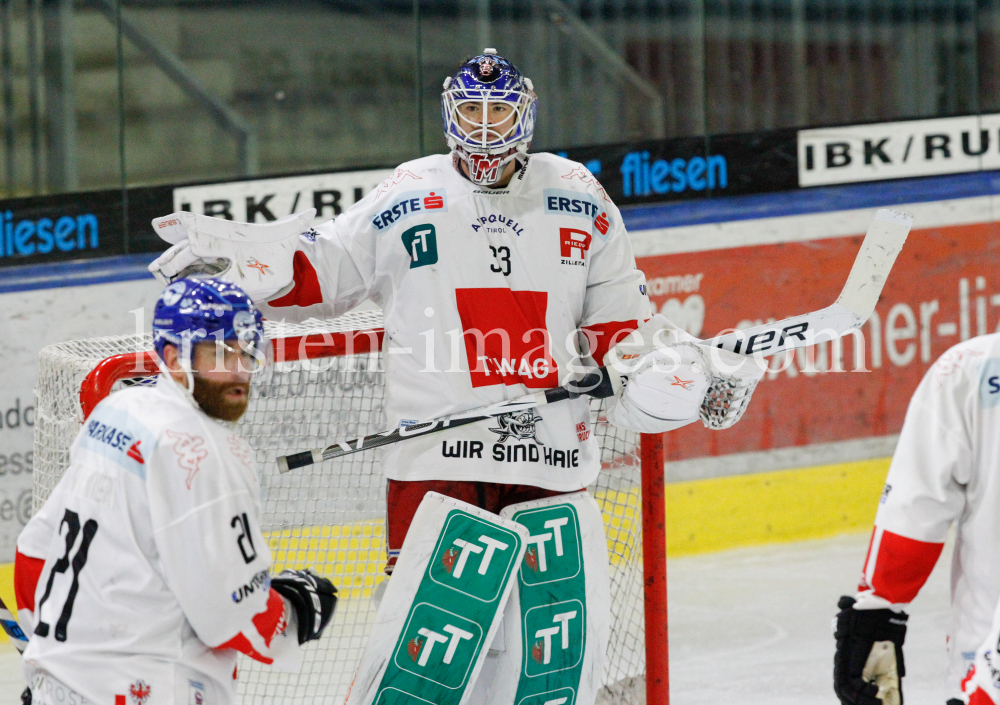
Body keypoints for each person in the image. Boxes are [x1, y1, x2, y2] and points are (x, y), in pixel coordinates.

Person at [148, 50, 764, 705]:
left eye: (499, 110)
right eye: (473, 109)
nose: (486, 124)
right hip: (435, 460)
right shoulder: (410, 191)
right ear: (450, 112)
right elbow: (323, 268)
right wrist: (240, 262)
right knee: (424, 662)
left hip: (550, 459)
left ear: (524, 114)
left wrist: (679, 385)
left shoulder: (580, 196)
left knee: (540, 668)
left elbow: (619, 336)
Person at [14, 277, 337, 705]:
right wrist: (297, 615)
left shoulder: (116, 410)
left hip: (57, 686)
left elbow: (34, 554)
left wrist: (56, 662)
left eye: (247, 350)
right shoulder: (207, 453)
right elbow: (231, 617)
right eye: (220, 352)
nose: (240, 370)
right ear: (173, 356)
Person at [833, 333, 1000, 705]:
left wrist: (876, 616)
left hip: (987, 674)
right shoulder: (967, 369)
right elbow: (916, 510)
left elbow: (914, 510)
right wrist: (877, 617)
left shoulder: (970, 368)